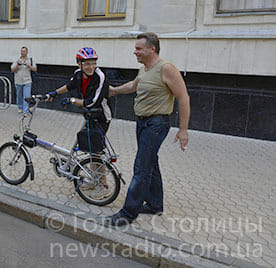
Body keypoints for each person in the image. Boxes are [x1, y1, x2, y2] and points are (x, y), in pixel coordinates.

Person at [107, 32, 190, 226]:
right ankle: (154, 204)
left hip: (156, 124)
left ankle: (127, 213)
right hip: (143, 122)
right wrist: (114, 91)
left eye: (138, 48)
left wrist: (183, 129)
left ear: (152, 48)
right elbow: (133, 86)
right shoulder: (145, 69)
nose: (134, 52)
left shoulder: (166, 68)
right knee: (151, 162)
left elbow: (184, 97)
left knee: (141, 167)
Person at [46, 47, 113, 200]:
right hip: (89, 116)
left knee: (96, 151)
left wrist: (72, 101)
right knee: (91, 149)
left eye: (93, 63)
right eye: (87, 64)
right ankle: (94, 180)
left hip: (102, 117)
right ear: (79, 64)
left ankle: (104, 186)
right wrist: (54, 93)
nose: (91, 67)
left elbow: (92, 102)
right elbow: (69, 86)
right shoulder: (78, 74)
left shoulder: (100, 77)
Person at [11, 46, 37, 115]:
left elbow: (35, 69)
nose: (22, 53)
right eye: (22, 51)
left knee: (26, 96)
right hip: (18, 81)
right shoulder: (17, 60)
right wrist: (17, 64)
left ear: (27, 52)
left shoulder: (30, 60)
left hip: (27, 81)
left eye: (24, 51)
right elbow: (12, 70)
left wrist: (29, 66)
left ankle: (25, 111)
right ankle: (20, 108)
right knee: (19, 96)